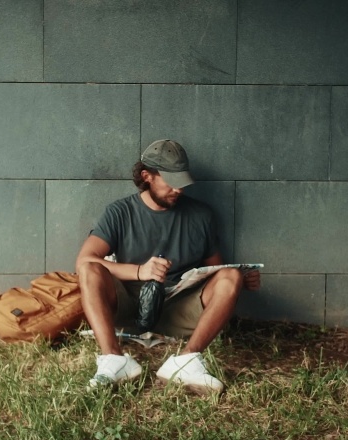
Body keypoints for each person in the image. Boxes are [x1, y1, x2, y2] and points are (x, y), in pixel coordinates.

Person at [75, 139, 261, 394]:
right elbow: (84, 261)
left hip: (179, 309)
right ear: (146, 176)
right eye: (171, 181)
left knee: (230, 276)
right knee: (89, 269)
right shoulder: (120, 212)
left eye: (182, 182)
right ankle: (114, 360)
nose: (179, 189)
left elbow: (217, 271)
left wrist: (240, 280)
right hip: (129, 305)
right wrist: (140, 271)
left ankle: (186, 361)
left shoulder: (201, 216)